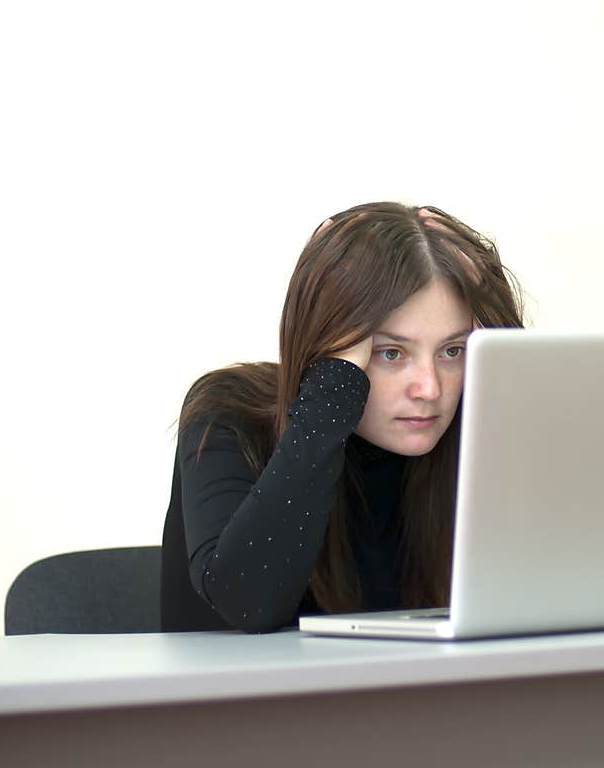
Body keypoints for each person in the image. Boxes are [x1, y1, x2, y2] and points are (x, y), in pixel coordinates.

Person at [160, 201, 526, 632]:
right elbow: (248, 603)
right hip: (250, 697)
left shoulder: (465, 429)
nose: (430, 388)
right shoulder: (229, 416)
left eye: (452, 351)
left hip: (418, 697)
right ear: (332, 352)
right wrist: (333, 389)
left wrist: (500, 326)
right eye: (390, 353)